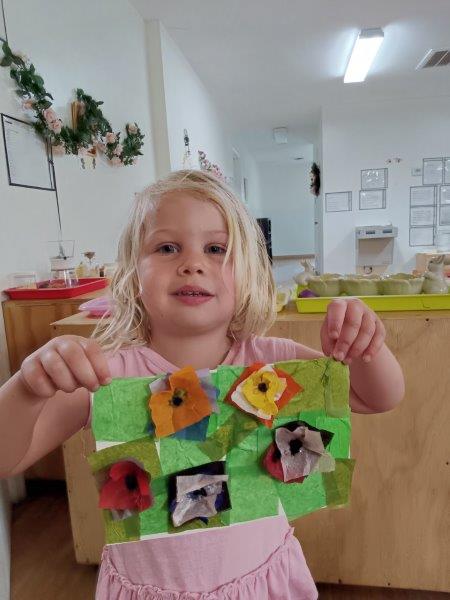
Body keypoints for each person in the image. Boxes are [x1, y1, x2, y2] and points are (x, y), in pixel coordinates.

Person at [0, 170, 405, 599]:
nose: (192, 264)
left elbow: (377, 397)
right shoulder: (105, 377)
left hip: (260, 584)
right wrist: (27, 387)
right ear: (133, 274)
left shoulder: (272, 362)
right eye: (167, 247)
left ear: (246, 272)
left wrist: (366, 347)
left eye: (216, 249)